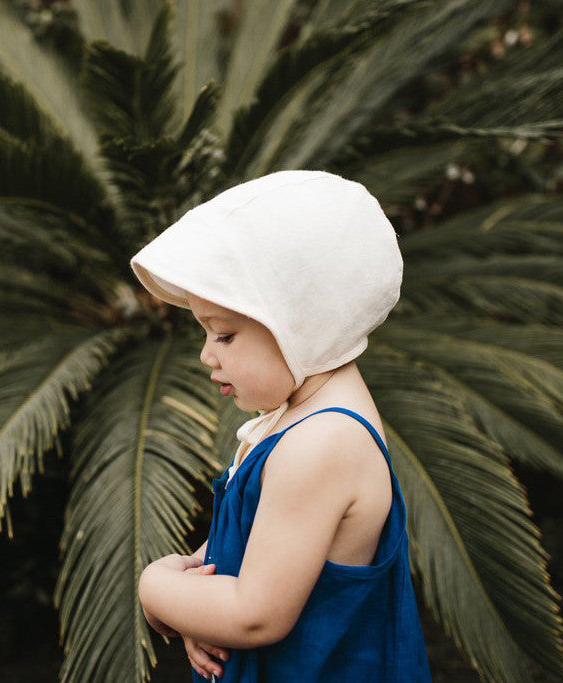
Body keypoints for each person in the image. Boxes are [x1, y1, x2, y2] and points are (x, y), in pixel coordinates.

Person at [131, 170, 432, 682]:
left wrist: (153, 585)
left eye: (225, 335)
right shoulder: (293, 422)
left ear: (301, 322)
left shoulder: (322, 443)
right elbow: (229, 562)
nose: (207, 355)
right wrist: (195, 608)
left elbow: (254, 615)